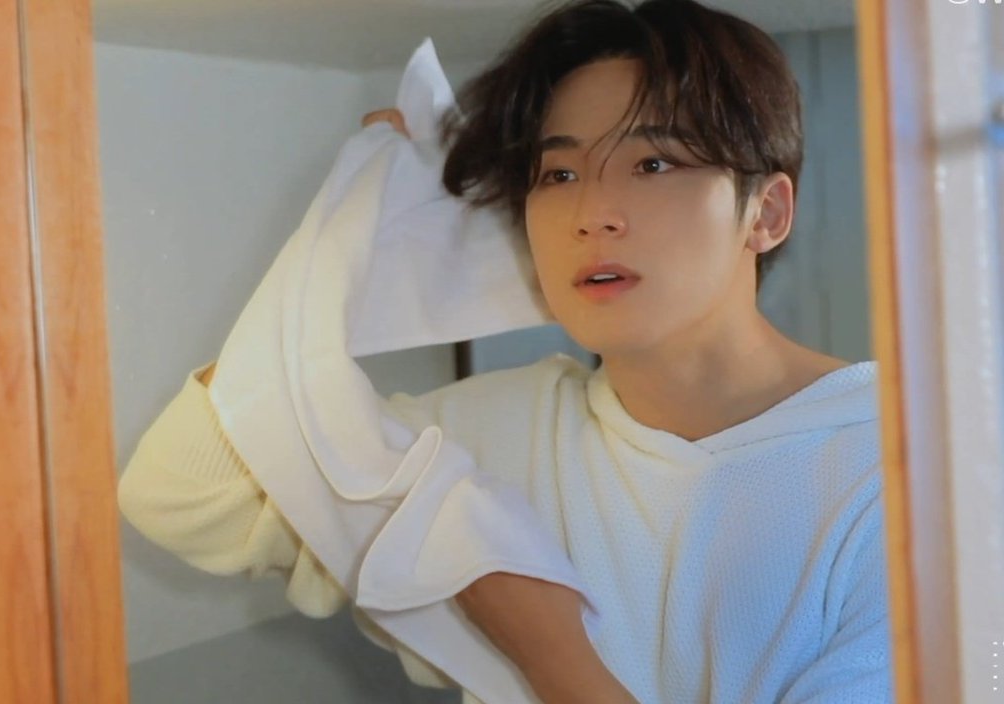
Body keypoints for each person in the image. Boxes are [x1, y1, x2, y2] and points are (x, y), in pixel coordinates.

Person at [118, 1, 891, 702]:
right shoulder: (494, 434)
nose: (591, 212)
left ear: (767, 212)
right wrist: (344, 252)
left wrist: (549, 651)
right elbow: (180, 496)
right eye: (558, 173)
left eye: (652, 163)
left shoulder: (899, 469)